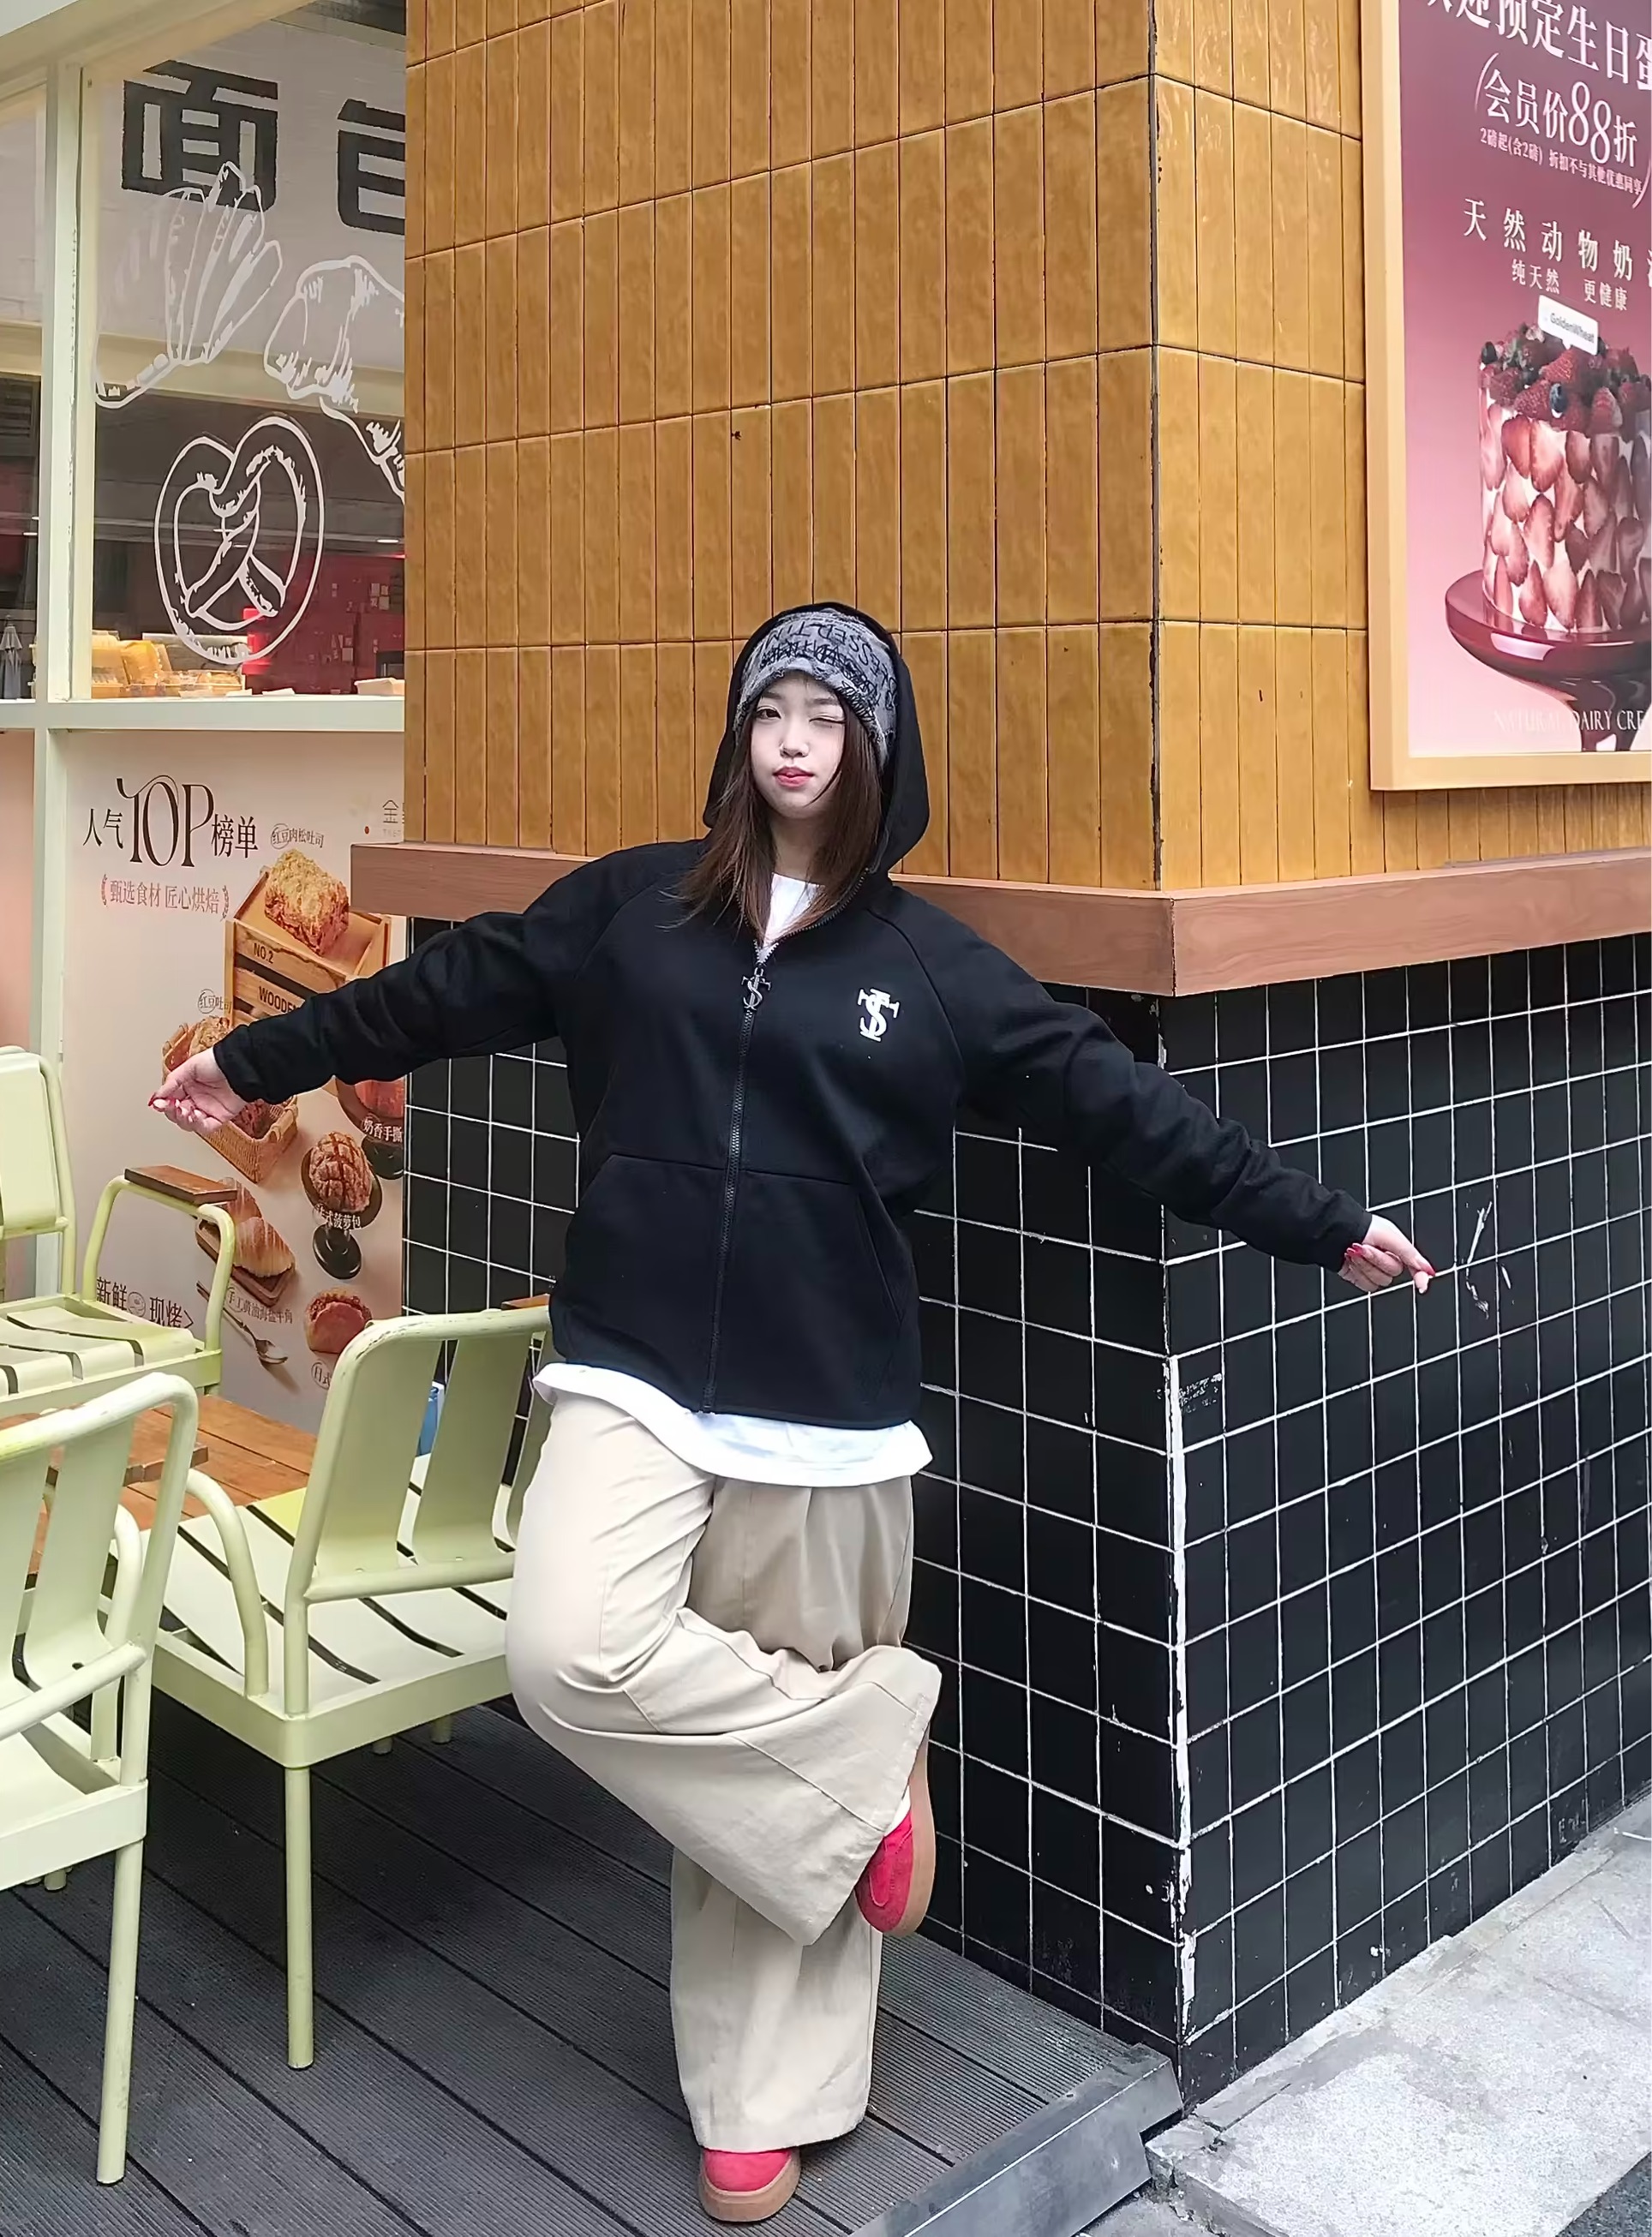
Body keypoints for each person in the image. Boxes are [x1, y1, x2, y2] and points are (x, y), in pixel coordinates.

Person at [155, 603, 1431, 2224]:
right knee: (570, 1655)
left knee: (755, 1795)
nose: (796, 740)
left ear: (875, 751)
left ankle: (769, 2099)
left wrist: (1318, 1223)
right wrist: (259, 1058)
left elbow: (1124, 1112)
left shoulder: (934, 970)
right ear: (740, 734)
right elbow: (443, 993)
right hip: (629, 1372)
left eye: (831, 716)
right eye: (773, 709)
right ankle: (871, 1755)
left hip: (826, 1414)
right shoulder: (631, 909)